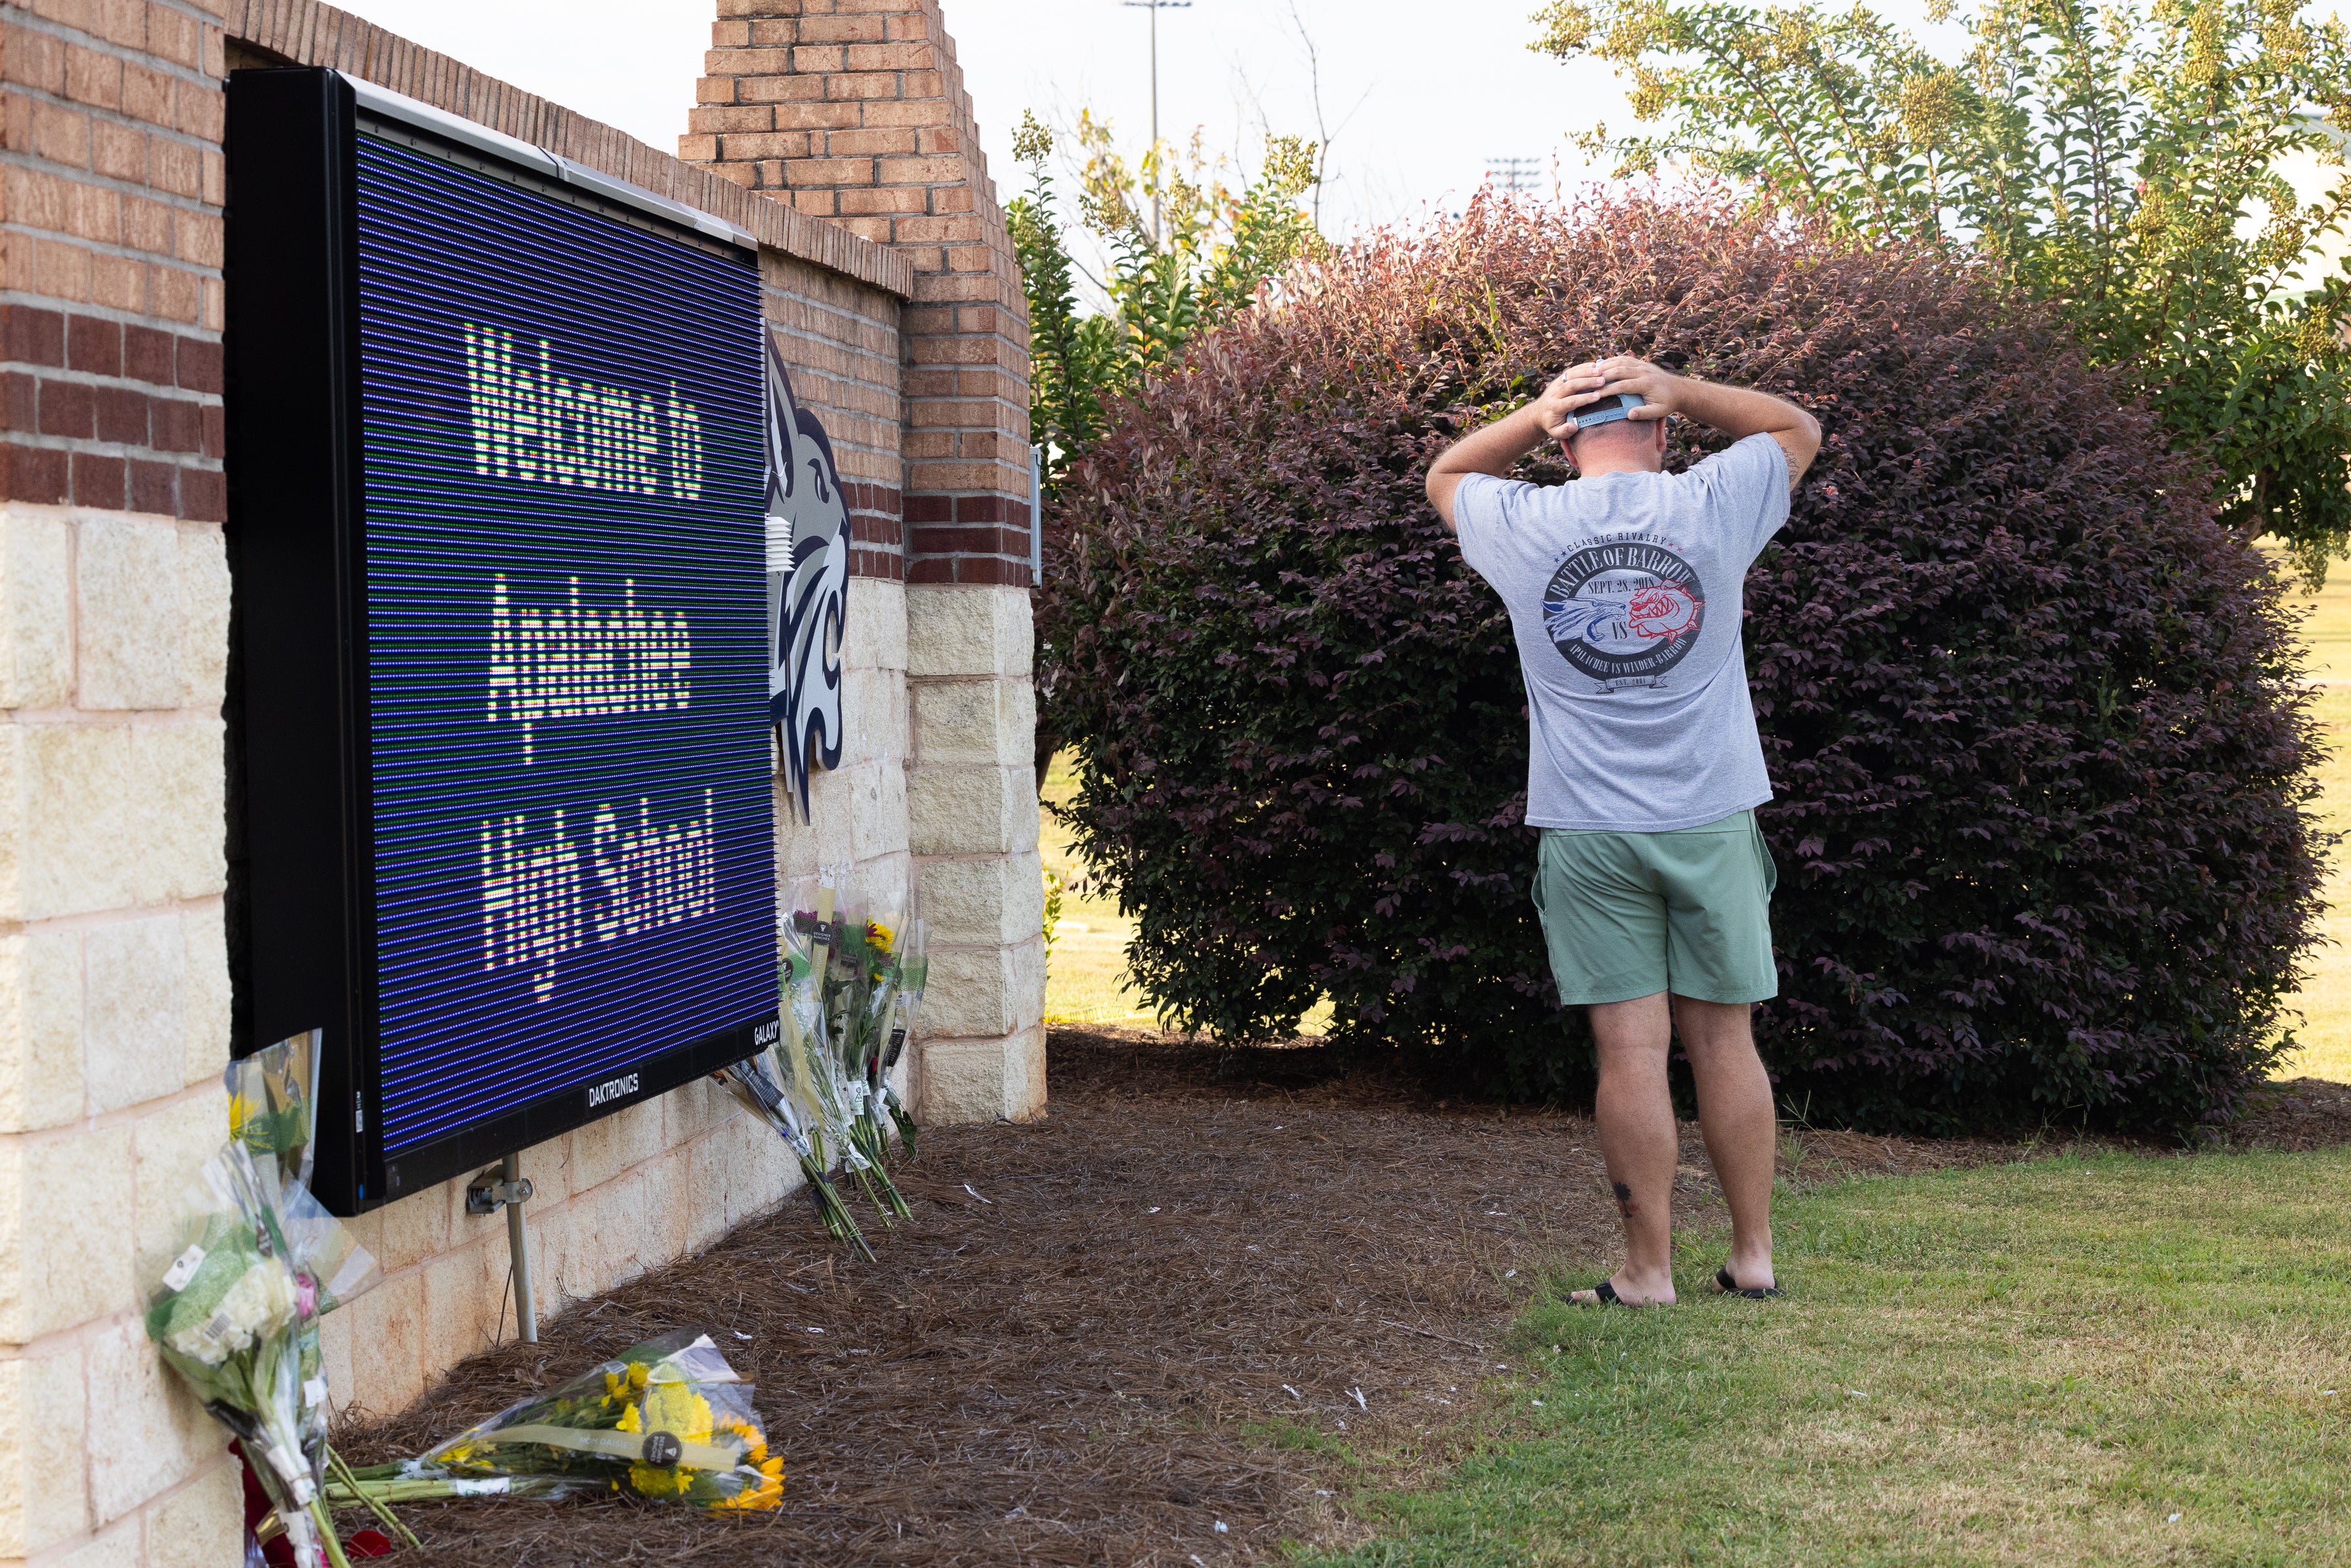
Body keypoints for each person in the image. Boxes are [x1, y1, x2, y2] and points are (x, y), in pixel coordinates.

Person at [1424, 355, 1821, 1305]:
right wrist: (1684, 386)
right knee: (1727, 1042)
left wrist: (1531, 413)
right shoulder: (1712, 501)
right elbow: (1796, 428)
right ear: (1665, 433)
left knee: (1632, 1054)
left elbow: (1443, 474)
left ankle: (1649, 1271)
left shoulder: (1526, 522)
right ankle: (1753, 1254)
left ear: (1565, 446)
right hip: (1712, 812)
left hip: (1590, 827)